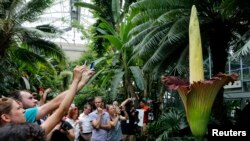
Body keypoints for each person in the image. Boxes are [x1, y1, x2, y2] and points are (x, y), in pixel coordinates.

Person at [0, 65, 94, 140]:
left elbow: (57, 102)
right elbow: (61, 110)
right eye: (18, 108)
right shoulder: (23, 134)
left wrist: (81, 82)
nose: (36, 100)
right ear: (5, 117)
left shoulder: (25, 117)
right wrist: (76, 80)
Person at [9, 68, 92, 123]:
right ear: (19, 103)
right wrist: (79, 81)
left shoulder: (28, 117)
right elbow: (58, 104)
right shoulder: (25, 116)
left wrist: (81, 82)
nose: (35, 100)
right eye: (30, 98)